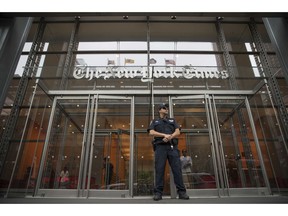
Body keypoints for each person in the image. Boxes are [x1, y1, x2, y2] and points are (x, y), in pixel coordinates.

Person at [147, 103, 189, 201]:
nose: (166, 109)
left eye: (167, 108)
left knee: (177, 170)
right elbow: (151, 132)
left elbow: (178, 131)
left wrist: (169, 136)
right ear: (159, 110)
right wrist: (164, 135)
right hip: (160, 148)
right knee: (159, 170)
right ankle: (158, 193)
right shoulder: (155, 121)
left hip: (172, 147)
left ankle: (182, 192)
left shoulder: (172, 120)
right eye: (164, 108)